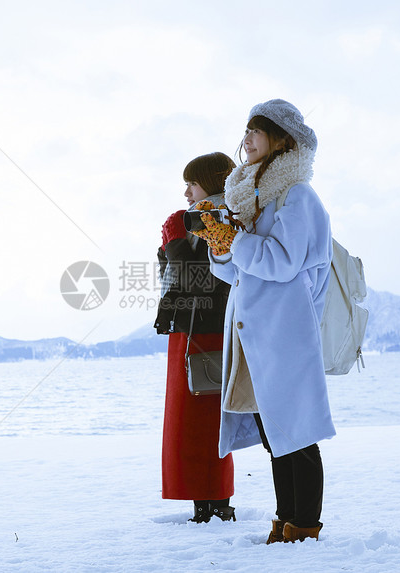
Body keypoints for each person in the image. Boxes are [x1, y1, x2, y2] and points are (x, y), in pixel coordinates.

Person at [192, 99, 335, 543]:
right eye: (247, 131)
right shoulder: (251, 194)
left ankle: (304, 524)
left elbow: (282, 261)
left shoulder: (298, 195)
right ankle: (286, 518)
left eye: (258, 131)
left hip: (286, 329)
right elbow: (238, 272)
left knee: (296, 429)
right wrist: (220, 245)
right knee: (275, 428)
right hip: (254, 329)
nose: (247, 139)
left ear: (282, 140)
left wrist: (235, 240)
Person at [154, 152, 236, 523]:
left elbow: (197, 281)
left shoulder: (219, 218)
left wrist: (173, 241)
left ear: (212, 182)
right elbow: (173, 278)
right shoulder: (197, 218)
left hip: (206, 331)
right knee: (188, 425)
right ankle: (205, 503)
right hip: (189, 330)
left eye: (192, 182)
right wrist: (167, 248)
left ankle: (215, 505)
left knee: (202, 423)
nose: (186, 191)